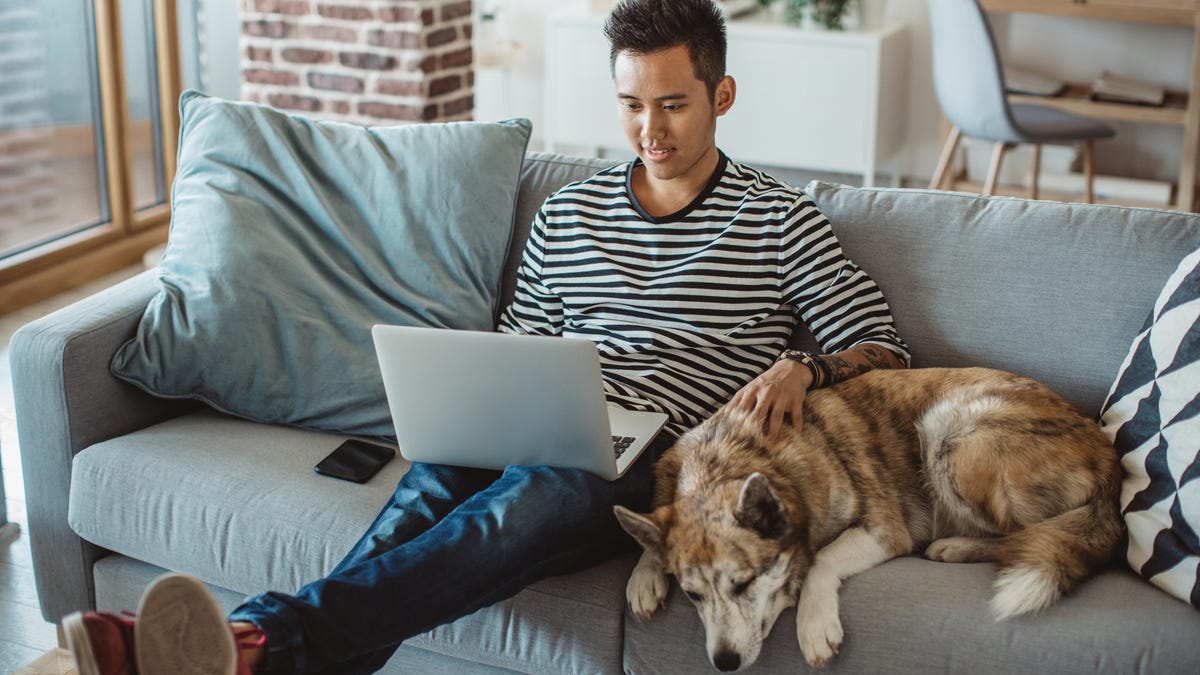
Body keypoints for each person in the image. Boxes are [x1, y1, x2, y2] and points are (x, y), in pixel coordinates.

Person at [63, 1, 909, 673]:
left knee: (520, 504)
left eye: (673, 104)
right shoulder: (568, 214)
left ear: (721, 97)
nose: (650, 129)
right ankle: (251, 652)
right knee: (425, 499)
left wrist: (806, 363)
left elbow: (884, 346)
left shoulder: (781, 221)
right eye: (631, 104)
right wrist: (484, 400)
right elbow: (516, 349)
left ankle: (251, 637)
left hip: (665, 462)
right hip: (553, 418)